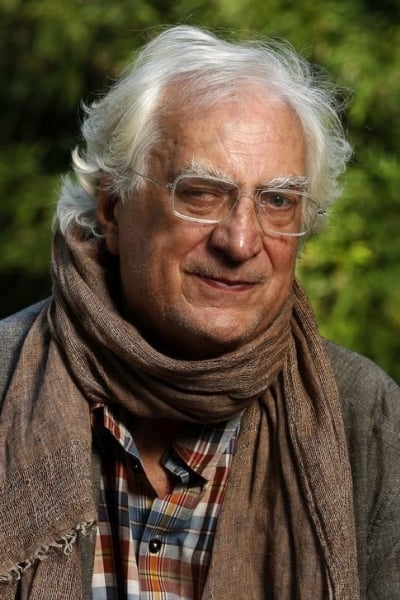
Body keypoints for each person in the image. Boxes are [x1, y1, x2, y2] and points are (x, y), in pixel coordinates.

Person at [0, 24, 399, 600]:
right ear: (112, 209)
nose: (241, 241)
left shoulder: (367, 415)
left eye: (278, 201)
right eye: (201, 193)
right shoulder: (7, 380)